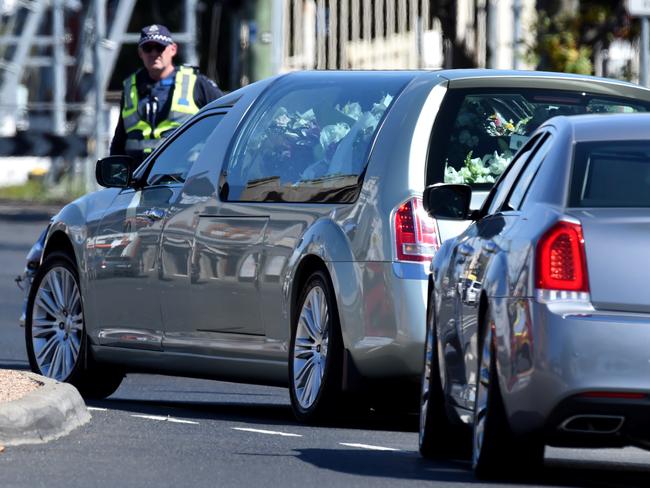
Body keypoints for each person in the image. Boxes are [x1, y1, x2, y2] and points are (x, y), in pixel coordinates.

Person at [110, 24, 223, 164]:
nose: (153, 53)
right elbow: (119, 140)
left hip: (182, 178)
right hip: (139, 177)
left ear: (173, 49)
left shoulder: (196, 82)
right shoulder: (130, 88)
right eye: (148, 48)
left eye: (159, 47)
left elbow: (226, 117)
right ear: (140, 53)